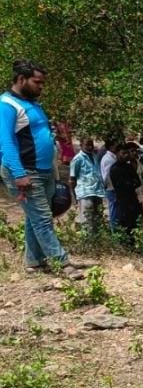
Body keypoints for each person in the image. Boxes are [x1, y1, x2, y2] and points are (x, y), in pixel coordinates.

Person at [0, 60, 83, 276]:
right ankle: (62, 264)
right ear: (21, 79)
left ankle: (34, 262)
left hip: (44, 170)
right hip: (26, 172)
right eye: (37, 82)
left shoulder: (34, 104)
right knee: (43, 218)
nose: (41, 87)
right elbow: (6, 142)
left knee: (34, 218)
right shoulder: (7, 105)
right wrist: (18, 174)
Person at [68, 137, 107, 235]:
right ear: (81, 145)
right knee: (87, 220)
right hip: (85, 192)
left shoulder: (94, 156)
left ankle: (97, 242)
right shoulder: (77, 159)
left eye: (91, 145)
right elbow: (72, 179)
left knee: (98, 218)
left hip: (97, 191)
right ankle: (88, 243)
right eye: (87, 145)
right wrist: (74, 195)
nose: (90, 147)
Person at [109, 142, 143, 244]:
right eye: (123, 153)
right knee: (125, 224)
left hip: (134, 200)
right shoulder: (115, 169)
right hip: (123, 202)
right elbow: (121, 186)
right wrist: (130, 184)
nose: (126, 155)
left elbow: (137, 182)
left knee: (136, 223)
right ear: (118, 154)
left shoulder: (128, 167)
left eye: (126, 153)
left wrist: (132, 185)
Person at [99, 138, 119, 229]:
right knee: (114, 210)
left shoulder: (112, 157)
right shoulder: (108, 159)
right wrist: (106, 185)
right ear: (111, 146)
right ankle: (113, 230)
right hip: (111, 188)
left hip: (113, 187)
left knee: (115, 209)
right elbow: (106, 175)